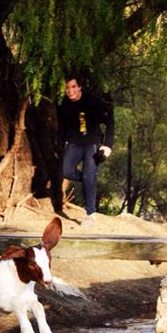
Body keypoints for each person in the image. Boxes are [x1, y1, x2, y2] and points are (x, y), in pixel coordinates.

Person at [58, 74, 114, 222]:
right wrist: (62, 143)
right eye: (67, 88)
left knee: (89, 176)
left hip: (92, 143)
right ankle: (89, 179)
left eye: (73, 87)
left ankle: (91, 214)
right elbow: (62, 126)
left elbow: (109, 121)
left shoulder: (92, 102)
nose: (70, 91)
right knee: (66, 171)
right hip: (74, 143)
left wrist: (107, 146)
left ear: (80, 87)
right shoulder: (64, 104)